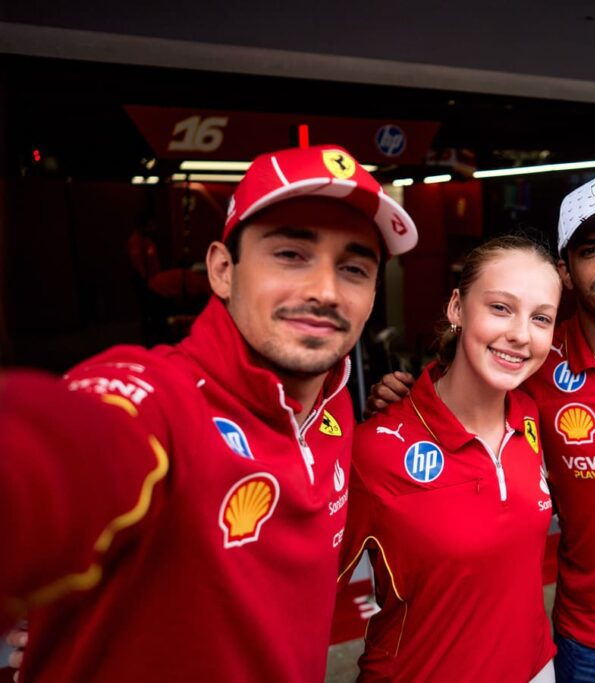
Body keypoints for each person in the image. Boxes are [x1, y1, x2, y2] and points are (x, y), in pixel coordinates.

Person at [0, 144, 418, 681]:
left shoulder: (331, 397)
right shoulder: (161, 398)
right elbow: (56, 453)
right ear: (222, 270)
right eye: (291, 254)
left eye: (354, 268)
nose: (325, 292)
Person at [370, 176, 595, 681]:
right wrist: (403, 398)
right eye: (591, 250)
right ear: (566, 272)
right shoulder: (534, 363)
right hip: (590, 648)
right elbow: (462, 396)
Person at [341, 235, 561, 681]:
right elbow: (288, 607)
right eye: (500, 307)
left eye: (541, 318)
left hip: (535, 669)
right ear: (457, 308)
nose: (521, 334)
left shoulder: (530, 417)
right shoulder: (374, 448)